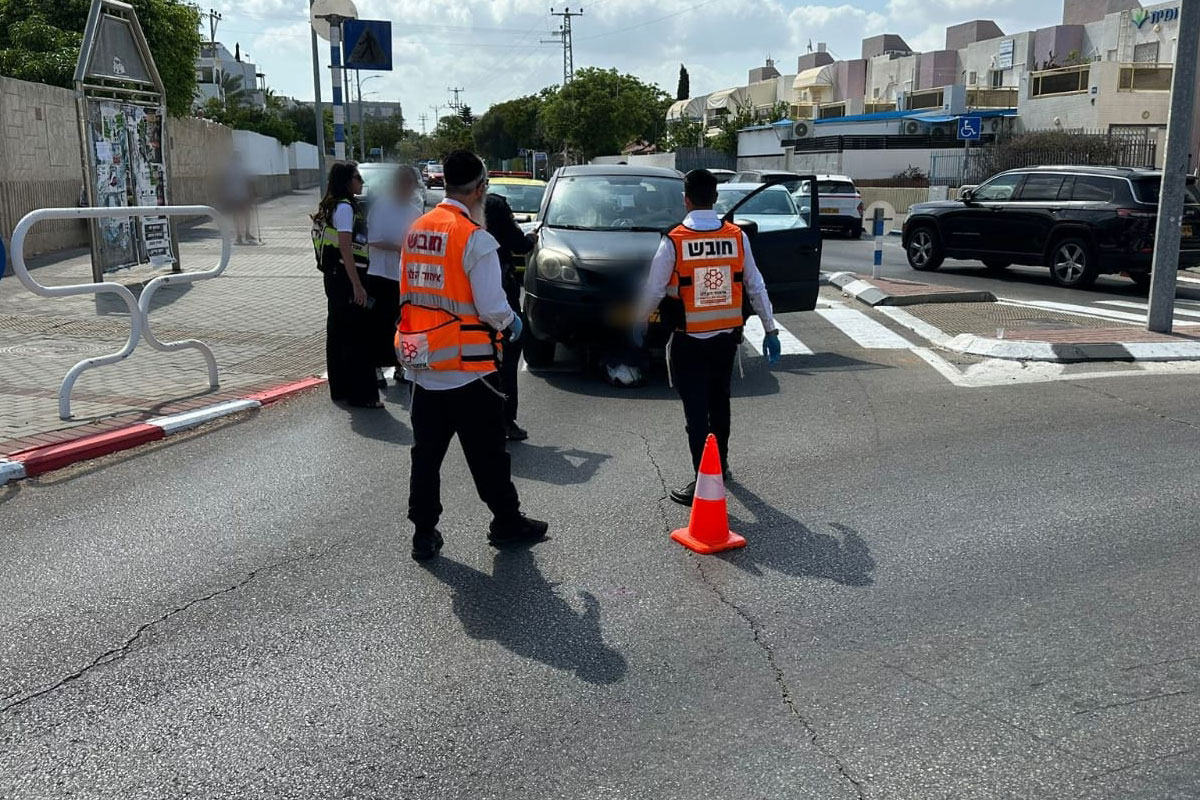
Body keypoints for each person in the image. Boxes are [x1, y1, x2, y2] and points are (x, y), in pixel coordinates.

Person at [397, 150, 548, 561]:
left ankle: (424, 534)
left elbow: (408, 290)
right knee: (488, 454)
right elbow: (492, 307)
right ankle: (506, 522)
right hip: (469, 368)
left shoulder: (417, 230)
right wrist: (514, 324)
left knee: (426, 456)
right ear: (480, 189)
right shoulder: (473, 238)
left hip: (425, 365)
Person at [635, 168, 782, 506]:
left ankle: (704, 479)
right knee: (720, 403)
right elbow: (755, 285)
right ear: (716, 198)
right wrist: (770, 329)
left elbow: (653, 291)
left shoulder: (673, 241)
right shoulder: (737, 237)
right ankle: (722, 465)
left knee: (696, 413)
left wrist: (638, 322)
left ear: (685, 199)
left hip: (689, 340)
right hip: (726, 339)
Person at [312, 160, 381, 408]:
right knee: (358, 335)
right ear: (346, 181)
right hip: (346, 276)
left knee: (339, 332)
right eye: (357, 177)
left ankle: (341, 389)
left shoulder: (332, 205)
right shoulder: (344, 207)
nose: (361, 181)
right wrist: (357, 285)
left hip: (335, 276)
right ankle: (362, 394)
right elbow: (345, 246)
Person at [483, 189, 536, 441]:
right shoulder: (499, 212)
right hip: (503, 298)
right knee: (508, 359)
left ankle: (485, 420)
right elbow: (519, 242)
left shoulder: (468, 225)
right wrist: (532, 239)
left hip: (472, 311)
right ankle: (505, 421)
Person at [367, 165, 423, 386]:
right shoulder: (381, 207)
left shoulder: (415, 212)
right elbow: (372, 239)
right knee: (379, 323)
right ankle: (377, 367)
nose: (409, 190)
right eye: (406, 185)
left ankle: (402, 366)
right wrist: (400, 248)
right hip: (381, 273)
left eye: (412, 186)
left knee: (403, 323)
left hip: (405, 278)